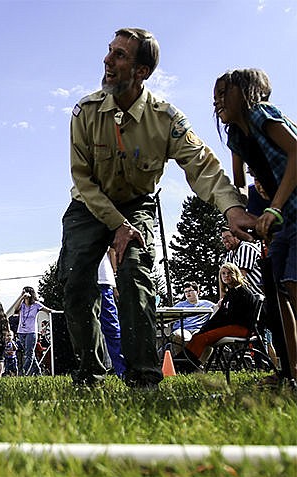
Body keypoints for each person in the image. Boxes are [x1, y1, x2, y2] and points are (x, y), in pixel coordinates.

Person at [57, 27, 253, 388]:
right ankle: (91, 373)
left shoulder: (166, 119)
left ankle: (144, 376)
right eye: (109, 51)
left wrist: (232, 209)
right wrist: (116, 224)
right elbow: (82, 179)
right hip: (89, 204)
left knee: (135, 273)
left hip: (137, 204)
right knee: (75, 279)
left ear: (141, 71)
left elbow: (202, 166)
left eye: (120, 55)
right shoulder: (84, 111)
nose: (107, 60)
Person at [213, 68, 297, 382]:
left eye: (225, 92)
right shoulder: (236, 135)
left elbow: (296, 151)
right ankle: (291, 371)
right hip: (283, 218)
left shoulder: (262, 113)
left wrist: (273, 207)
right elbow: (238, 185)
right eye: (215, 96)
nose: (218, 100)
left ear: (247, 92)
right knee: (277, 292)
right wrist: (238, 218)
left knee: (294, 283)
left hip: (290, 210)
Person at [181, 263, 261, 369]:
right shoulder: (230, 294)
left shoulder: (242, 292)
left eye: (229, 273)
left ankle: (185, 368)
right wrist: (204, 328)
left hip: (242, 328)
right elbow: (219, 316)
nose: (226, 276)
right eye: (223, 273)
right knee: (198, 336)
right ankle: (180, 363)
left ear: (236, 274)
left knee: (203, 338)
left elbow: (230, 317)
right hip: (231, 326)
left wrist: (208, 329)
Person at [15, 286, 57, 376]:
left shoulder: (36, 305)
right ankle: (38, 372)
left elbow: (48, 310)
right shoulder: (21, 304)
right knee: (29, 352)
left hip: (31, 332)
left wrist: (57, 312)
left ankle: (23, 372)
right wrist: (21, 297)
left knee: (29, 353)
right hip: (21, 332)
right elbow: (15, 309)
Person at [97, 248, 126, 377]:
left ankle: (121, 369)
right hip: (102, 279)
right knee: (111, 327)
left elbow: (112, 250)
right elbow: (112, 250)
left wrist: (114, 277)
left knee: (110, 327)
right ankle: (122, 369)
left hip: (101, 279)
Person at [169, 283, 215, 354]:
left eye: (190, 290)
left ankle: (198, 364)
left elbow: (219, 307)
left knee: (207, 340)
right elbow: (170, 315)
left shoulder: (207, 304)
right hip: (183, 329)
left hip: (198, 330)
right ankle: (179, 362)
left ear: (198, 292)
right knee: (179, 336)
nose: (188, 293)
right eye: (186, 292)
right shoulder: (179, 305)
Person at [220, 227, 263, 297]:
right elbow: (223, 279)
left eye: (228, 237)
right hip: (247, 297)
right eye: (223, 238)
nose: (225, 240)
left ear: (237, 237)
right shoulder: (230, 255)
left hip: (260, 295)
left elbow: (240, 276)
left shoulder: (246, 247)